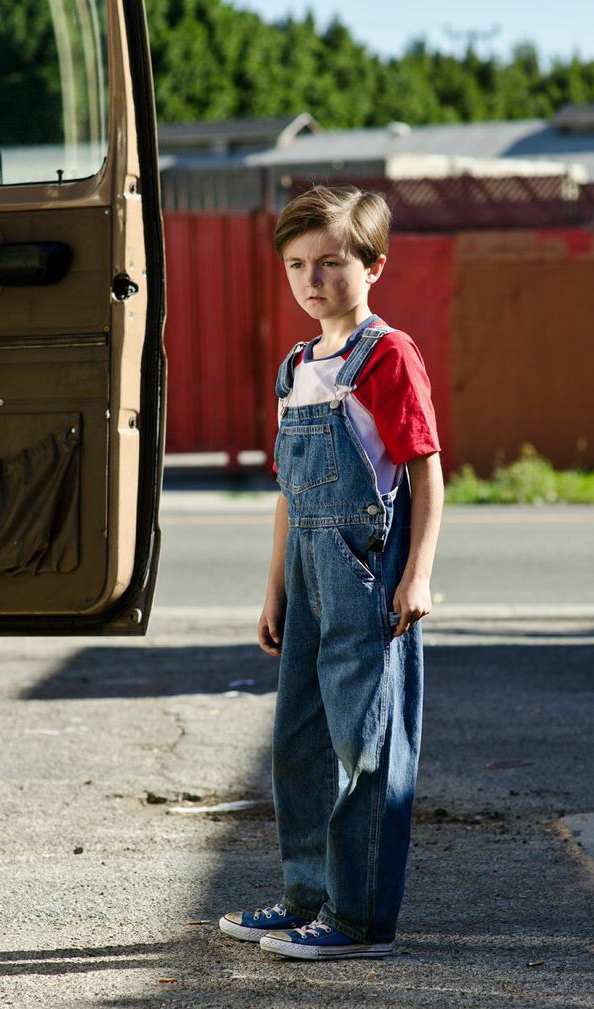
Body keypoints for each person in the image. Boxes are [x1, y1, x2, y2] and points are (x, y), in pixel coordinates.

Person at [219, 185, 444, 960]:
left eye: (331, 262)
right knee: (300, 741)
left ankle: (360, 917)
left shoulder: (387, 355)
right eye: (296, 264)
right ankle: (304, 897)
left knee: (365, 744)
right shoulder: (295, 368)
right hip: (308, 580)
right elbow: (289, 492)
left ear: (374, 265)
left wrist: (416, 574)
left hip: (364, 576)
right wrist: (275, 587)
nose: (312, 279)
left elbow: (426, 472)